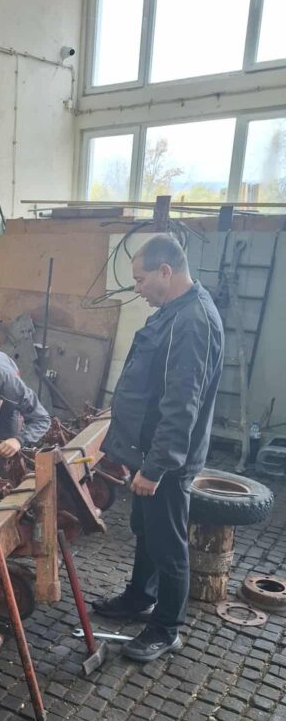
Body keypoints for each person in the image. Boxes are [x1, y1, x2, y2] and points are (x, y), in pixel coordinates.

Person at [94, 234, 224, 663]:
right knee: (146, 531)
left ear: (166, 272)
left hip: (165, 461)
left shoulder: (193, 322)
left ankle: (166, 628)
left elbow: (181, 406)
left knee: (168, 543)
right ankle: (139, 597)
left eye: (140, 278)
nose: (137, 288)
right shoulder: (173, 310)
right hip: (147, 452)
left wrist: (156, 468)